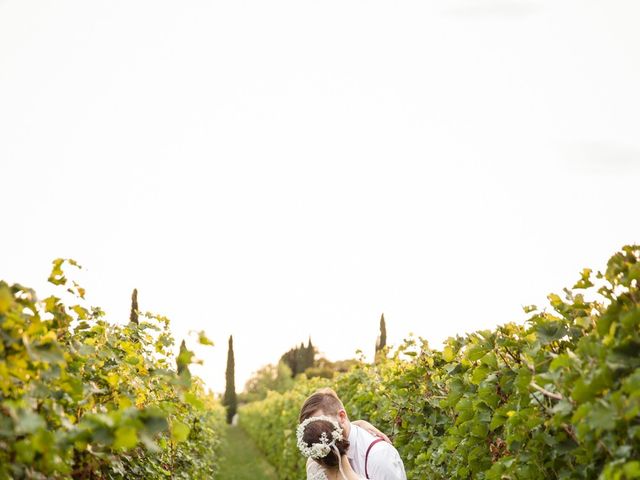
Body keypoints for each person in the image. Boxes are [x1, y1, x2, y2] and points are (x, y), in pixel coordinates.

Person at [298, 388, 407, 480]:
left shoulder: (379, 456)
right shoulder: (319, 455)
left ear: (341, 416)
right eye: (311, 428)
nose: (318, 435)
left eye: (321, 424)